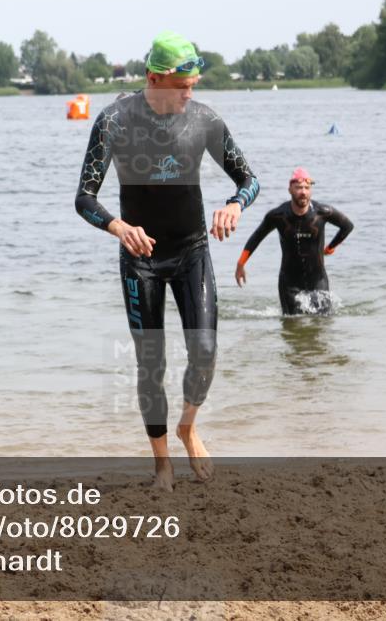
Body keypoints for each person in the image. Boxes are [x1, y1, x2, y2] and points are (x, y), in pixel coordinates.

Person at [75, 31, 260, 490]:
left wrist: (235, 205)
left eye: (193, 87)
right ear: (154, 78)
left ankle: (188, 427)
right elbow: (84, 198)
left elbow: (249, 180)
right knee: (151, 363)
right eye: (182, 87)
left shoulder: (204, 120)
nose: (188, 95)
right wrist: (119, 227)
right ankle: (162, 464)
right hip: (140, 259)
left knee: (205, 351)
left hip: (191, 250)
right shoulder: (115, 121)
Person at [235, 167, 353, 315]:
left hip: (318, 280)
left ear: (310, 191)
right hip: (289, 283)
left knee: (322, 323)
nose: (303, 192)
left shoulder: (322, 212)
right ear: (290, 189)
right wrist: (241, 263)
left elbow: (347, 226)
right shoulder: (278, 216)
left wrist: (330, 247)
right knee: (291, 324)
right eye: (298, 187)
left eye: (306, 188)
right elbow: (256, 237)